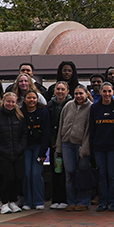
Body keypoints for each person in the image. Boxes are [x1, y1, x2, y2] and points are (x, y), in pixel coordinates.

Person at [0, 92, 28, 215]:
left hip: (18, 153)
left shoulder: (19, 116)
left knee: (18, 178)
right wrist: (0, 150)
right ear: (3, 101)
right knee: (8, 178)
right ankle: (4, 202)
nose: (10, 104)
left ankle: (12, 200)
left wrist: (20, 148)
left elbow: (24, 134)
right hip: (2, 154)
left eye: (13, 102)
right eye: (8, 101)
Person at [55, 85, 92, 211]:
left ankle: (83, 201)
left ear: (86, 94)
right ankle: (71, 201)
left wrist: (85, 148)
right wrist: (58, 147)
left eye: (81, 93)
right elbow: (61, 125)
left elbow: (89, 130)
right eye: (76, 93)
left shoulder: (90, 107)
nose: (78, 96)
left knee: (83, 173)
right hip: (66, 144)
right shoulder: (68, 105)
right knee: (69, 172)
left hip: (81, 144)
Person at [89, 83, 114, 212]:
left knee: (112, 175)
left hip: (112, 148)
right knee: (101, 175)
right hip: (98, 147)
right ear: (101, 92)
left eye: (109, 91)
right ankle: (103, 202)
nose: (107, 94)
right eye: (105, 91)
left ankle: (113, 202)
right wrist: (91, 148)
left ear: (113, 92)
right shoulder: (94, 108)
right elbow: (92, 129)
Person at [21, 89, 52, 211]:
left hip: (39, 147)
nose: (31, 100)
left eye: (34, 98)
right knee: (27, 173)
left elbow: (46, 133)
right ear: (25, 99)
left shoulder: (43, 112)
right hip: (26, 147)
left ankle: (39, 201)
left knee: (36, 174)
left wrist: (43, 152)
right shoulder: (21, 112)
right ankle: (28, 201)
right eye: (29, 98)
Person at [46, 81, 71, 209]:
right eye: (58, 89)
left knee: (66, 172)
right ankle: (56, 198)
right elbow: (48, 125)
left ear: (67, 91)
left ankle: (66, 199)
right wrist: (53, 142)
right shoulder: (50, 104)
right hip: (54, 144)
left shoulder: (71, 104)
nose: (60, 92)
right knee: (55, 171)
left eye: (63, 89)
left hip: (67, 142)